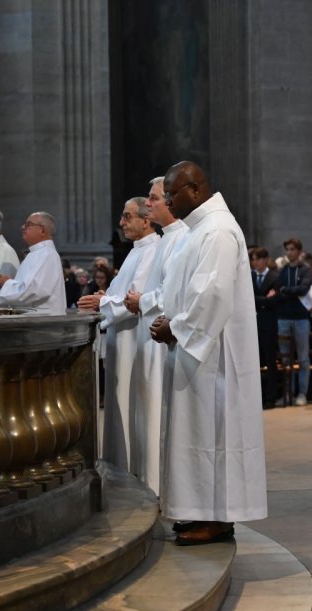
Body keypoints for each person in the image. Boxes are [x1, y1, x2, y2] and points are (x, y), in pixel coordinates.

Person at [149, 160, 266, 545]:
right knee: (195, 436)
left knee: (213, 436)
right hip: (195, 350)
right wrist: (170, 317)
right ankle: (200, 510)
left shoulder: (216, 230)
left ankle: (217, 517)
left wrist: (176, 327)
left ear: (195, 190)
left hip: (211, 357)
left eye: (172, 193)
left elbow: (211, 295)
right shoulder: (197, 230)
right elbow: (183, 288)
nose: (167, 200)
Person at [80, 197, 159, 471]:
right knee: (120, 407)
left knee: (133, 407)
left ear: (146, 221)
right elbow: (120, 293)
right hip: (120, 340)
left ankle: (135, 474)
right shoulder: (136, 252)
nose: (121, 222)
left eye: (127, 216)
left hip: (134, 340)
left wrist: (102, 302)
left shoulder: (151, 251)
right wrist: (105, 297)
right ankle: (121, 469)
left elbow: (134, 299)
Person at [124, 175, 190, 495]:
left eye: (153, 198)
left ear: (171, 202)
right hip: (148, 333)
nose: (147, 203)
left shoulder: (181, 238)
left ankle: (157, 486)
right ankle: (147, 482)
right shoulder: (166, 238)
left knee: (156, 414)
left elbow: (171, 294)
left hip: (160, 337)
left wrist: (141, 301)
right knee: (147, 413)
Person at [0, 212, 67, 315]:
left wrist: (7, 284)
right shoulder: (36, 253)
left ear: (42, 230)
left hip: (43, 323)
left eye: (28, 225)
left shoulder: (47, 254)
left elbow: (34, 290)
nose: (23, 227)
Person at [275, 239, 312, 406]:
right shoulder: (283, 270)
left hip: (300, 317)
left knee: (303, 357)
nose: (289, 253)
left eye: (292, 249)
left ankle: (302, 393)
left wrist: (287, 291)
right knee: (285, 359)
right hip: (284, 316)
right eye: (287, 250)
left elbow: (304, 289)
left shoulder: (305, 270)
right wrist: (288, 291)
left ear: (299, 251)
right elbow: (278, 290)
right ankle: (287, 393)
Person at [250, 246, 281, 408]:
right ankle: (258, 395)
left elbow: (274, 300)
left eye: (258, 259)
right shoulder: (250, 276)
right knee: (255, 361)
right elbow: (246, 298)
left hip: (268, 323)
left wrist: (257, 300)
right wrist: (263, 299)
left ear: (265, 259)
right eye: (253, 259)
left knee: (270, 360)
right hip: (253, 323)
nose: (255, 263)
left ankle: (271, 396)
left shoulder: (275, 276)